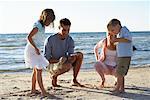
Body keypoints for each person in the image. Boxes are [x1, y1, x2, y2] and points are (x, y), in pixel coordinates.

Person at [44, 18, 83, 87]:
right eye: (64, 30)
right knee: (67, 65)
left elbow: (70, 54)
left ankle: (74, 80)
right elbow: (46, 59)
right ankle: (54, 76)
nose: (66, 32)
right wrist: (59, 60)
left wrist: (72, 57)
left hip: (63, 62)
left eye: (68, 30)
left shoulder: (70, 39)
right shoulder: (50, 39)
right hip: (52, 65)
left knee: (80, 55)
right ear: (59, 28)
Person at [24, 8, 55, 96]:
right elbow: (29, 37)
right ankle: (43, 91)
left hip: (35, 49)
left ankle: (33, 89)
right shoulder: (38, 26)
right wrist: (36, 48)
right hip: (32, 49)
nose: (49, 23)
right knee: (39, 70)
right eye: (49, 20)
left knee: (36, 70)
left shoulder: (42, 26)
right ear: (45, 18)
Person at [107, 19, 132, 93]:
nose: (113, 32)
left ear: (118, 25)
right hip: (121, 55)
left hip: (125, 56)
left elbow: (128, 39)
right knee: (121, 73)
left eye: (113, 30)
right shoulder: (120, 33)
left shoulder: (124, 30)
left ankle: (117, 88)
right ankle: (122, 88)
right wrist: (114, 40)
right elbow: (121, 42)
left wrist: (117, 39)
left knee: (119, 73)